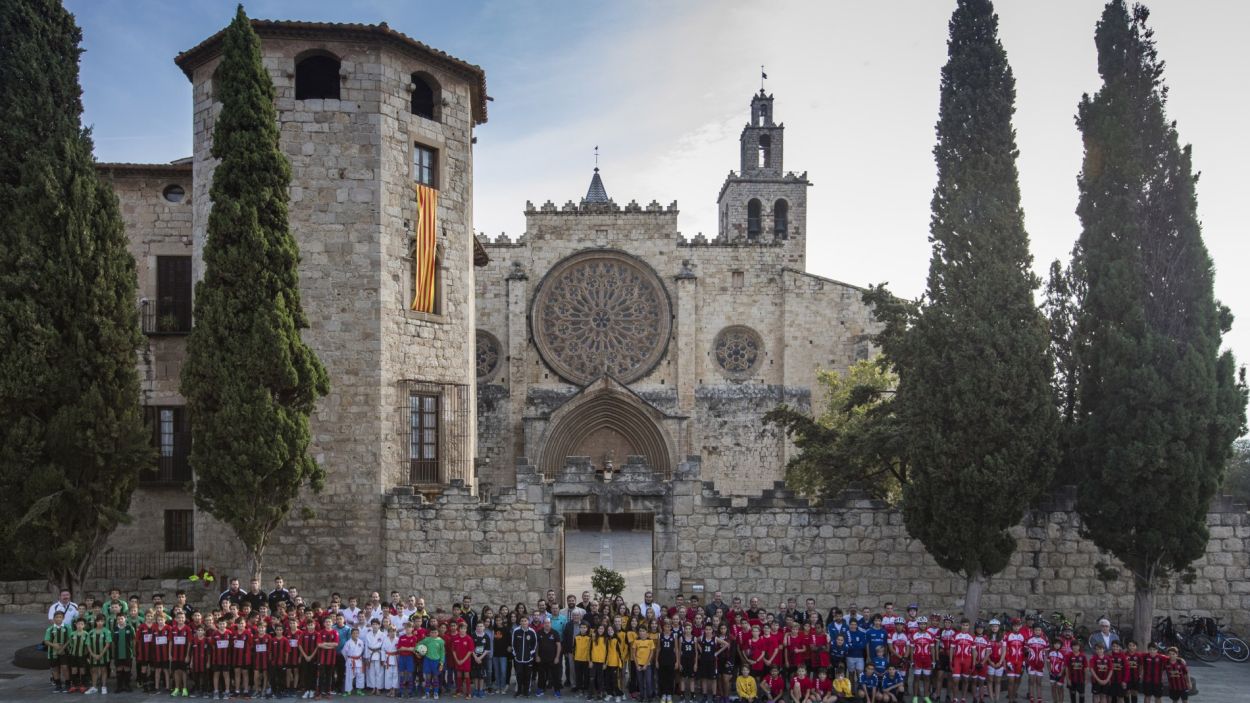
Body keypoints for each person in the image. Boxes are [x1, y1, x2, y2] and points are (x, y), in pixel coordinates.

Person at [536, 618, 563, 697]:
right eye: (545, 623)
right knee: (541, 675)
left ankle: (557, 690)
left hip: (553, 659)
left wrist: (557, 657)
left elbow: (558, 645)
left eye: (548, 623)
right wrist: (537, 656)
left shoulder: (555, 633)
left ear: (551, 624)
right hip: (542, 658)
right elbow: (537, 645)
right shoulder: (539, 632)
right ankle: (540, 689)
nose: (547, 624)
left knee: (555, 675)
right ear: (543, 624)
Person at [45, 609, 71, 693]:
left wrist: (63, 648)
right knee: (55, 669)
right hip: (53, 652)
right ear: (53, 618)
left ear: (63, 618)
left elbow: (70, 639)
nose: (58, 619)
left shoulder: (67, 627)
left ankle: (67, 684)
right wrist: (54, 645)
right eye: (56, 617)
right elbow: (46, 640)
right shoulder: (50, 629)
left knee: (64, 667)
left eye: (60, 617)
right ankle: (58, 685)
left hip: (64, 651)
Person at [86, 614, 112, 695]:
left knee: (104, 669)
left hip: (103, 655)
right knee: (94, 670)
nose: (100, 623)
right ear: (96, 622)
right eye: (98, 621)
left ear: (104, 622)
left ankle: (104, 686)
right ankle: (94, 687)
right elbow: (88, 644)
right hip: (93, 655)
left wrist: (100, 654)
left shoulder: (107, 631)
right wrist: (92, 654)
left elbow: (108, 644)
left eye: (101, 621)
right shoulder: (91, 632)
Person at [421, 623, 447, 699]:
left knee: (435, 678)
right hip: (427, 661)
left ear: (438, 633)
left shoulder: (441, 641)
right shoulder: (426, 640)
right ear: (429, 633)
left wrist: (441, 663)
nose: (434, 634)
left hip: (436, 662)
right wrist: (418, 653)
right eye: (432, 632)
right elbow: (418, 646)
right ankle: (427, 693)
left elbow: (442, 653)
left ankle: (436, 693)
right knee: (428, 678)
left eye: (435, 632)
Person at [342, 627, 366, 695]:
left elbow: (363, 651)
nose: (356, 634)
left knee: (360, 675)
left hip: (359, 661)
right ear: (351, 634)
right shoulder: (348, 643)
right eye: (354, 633)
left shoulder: (361, 642)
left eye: (357, 633)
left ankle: (359, 690)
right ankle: (348, 690)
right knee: (349, 676)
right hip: (350, 660)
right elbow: (344, 652)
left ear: (358, 634)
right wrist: (348, 659)